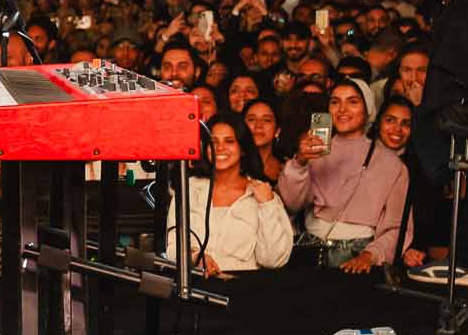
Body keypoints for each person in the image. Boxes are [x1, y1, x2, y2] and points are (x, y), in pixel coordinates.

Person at [280, 79, 411, 275]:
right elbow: (292, 204)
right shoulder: (314, 148)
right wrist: (300, 161)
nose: (342, 109)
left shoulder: (392, 164)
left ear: (368, 110)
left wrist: (370, 255)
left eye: (352, 102)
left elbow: (397, 228)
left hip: (358, 256)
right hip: (311, 251)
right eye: (335, 102)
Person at [169, 114, 292, 275]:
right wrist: (195, 257)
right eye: (213, 142)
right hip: (195, 283)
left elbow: (272, 260)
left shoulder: (263, 194)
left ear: (243, 149)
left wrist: (267, 205)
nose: (220, 148)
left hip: (245, 285)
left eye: (229, 141)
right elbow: (172, 247)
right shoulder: (189, 189)